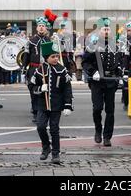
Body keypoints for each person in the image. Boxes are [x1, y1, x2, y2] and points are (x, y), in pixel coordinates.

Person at [30, 41, 74, 164]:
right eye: (52, 57)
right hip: (42, 104)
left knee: (54, 129)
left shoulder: (62, 69)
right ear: (46, 58)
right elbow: (31, 86)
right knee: (40, 127)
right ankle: (46, 147)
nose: (55, 59)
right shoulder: (40, 70)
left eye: (57, 56)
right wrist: (40, 89)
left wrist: (68, 105)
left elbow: (67, 89)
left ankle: (55, 153)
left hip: (56, 104)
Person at [83, 17, 123, 147]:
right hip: (97, 82)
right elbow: (85, 62)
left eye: (108, 29)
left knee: (110, 110)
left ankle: (107, 136)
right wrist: (92, 72)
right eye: (104, 29)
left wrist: (119, 74)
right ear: (99, 31)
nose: (106, 31)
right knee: (97, 108)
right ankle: (98, 130)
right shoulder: (93, 44)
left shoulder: (115, 45)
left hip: (111, 82)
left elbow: (119, 62)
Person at [23, 10, 55, 123]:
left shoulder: (48, 40)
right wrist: (24, 68)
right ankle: (36, 112)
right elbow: (26, 56)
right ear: (36, 28)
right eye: (40, 26)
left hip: (45, 70)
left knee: (45, 90)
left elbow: (52, 56)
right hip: (33, 69)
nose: (41, 28)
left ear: (46, 28)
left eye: (43, 26)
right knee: (34, 91)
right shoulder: (31, 41)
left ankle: (44, 110)